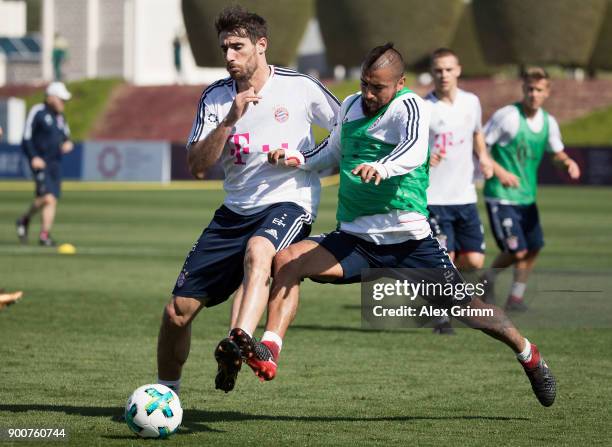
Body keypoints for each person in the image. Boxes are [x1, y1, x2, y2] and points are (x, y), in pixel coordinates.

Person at [254, 43, 556, 408]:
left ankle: (529, 354)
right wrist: (296, 157)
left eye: (377, 87)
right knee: (287, 260)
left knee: (471, 311)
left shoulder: (411, 106)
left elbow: (413, 149)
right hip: (356, 239)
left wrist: (381, 167)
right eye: (365, 83)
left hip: (410, 243)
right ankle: (270, 349)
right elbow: (331, 152)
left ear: (399, 83)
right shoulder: (350, 105)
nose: (368, 93)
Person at [156, 6, 339, 395]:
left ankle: (238, 340)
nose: (228, 57)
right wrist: (228, 122)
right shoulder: (216, 98)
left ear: (261, 45)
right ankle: (164, 395)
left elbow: (346, 130)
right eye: (224, 48)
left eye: (237, 47)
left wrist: (305, 158)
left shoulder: (300, 86)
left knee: (259, 252)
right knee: (176, 313)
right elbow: (197, 165)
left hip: (289, 200)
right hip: (234, 211)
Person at [483, 67, 581, 311]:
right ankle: (487, 281)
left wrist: (567, 162)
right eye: (529, 89)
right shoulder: (507, 116)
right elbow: (480, 147)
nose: (533, 94)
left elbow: (556, 153)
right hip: (501, 196)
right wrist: (500, 171)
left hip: (527, 198)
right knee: (517, 251)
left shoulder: (549, 122)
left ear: (547, 93)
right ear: (523, 89)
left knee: (534, 247)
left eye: (539, 90)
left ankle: (516, 297)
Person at [424, 48, 494, 334]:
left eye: (448, 69)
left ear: (458, 70)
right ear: (433, 72)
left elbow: (477, 134)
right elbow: (410, 144)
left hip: (464, 196)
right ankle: (442, 317)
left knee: (474, 260)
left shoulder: (471, 102)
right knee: (446, 258)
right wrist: (425, 156)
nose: (443, 75)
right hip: (434, 198)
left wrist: (485, 158)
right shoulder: (422, 106)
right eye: (438, 70)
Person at [16, 82, 73, 247]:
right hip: (40, 163)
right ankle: (35, 228)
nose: (64, 102)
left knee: (51, 199)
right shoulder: (38, 112)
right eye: (61, 99)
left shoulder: (61, 117)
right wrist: (33, 157)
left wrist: (68, 144)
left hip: (55, 163)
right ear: (51, 98)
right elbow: (26, 138)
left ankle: (38, 231)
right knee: (48, 198)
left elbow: (66, 137)